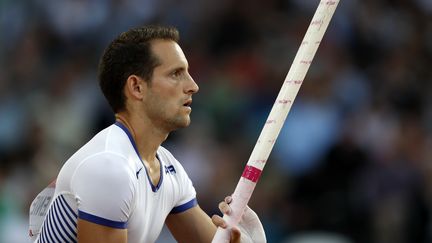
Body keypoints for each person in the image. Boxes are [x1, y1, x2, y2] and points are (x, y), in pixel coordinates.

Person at [28, 25, 266, 243]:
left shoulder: (169, 170)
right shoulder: (109, 167)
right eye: (176, 73)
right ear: (137, 87)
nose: (193, 85)